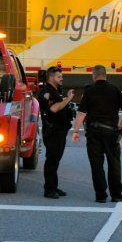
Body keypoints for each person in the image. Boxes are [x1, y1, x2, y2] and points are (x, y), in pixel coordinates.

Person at [72, 64, 122, 203]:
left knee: (96, 165)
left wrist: (76, 131)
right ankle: (116, 195)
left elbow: (81, 113)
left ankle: (101, 195)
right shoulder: (115, 89)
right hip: (111, 132)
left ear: (93, 76)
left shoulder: (89, 91)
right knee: (114, 163)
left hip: (94, 132)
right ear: (106, 75)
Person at [38, 66, 75, 199]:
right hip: (53, 131)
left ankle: (53, 186)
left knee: (56, 160)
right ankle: (49, 189)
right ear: (51, 77)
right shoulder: (46, 92)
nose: (62, 79)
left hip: (59, 130)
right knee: (52, 160)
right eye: (59, 77)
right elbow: (53, 108)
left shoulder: (56, 91)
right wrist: (68, 99)